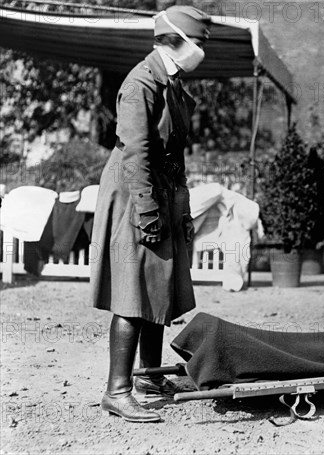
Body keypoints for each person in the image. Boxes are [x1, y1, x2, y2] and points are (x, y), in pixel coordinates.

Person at [89, 6, 211, 423]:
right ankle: (116, 391)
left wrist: (183, 206)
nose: (203, 51)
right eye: (200, 42)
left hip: (162, 188)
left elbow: (175, 153)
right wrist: (146, 210)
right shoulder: (141, 81)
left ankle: (148, 376)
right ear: (176, 39)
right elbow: (137, 152)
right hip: (133, 190)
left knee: (157, 285)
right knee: (132, 290)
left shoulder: (173, 83)